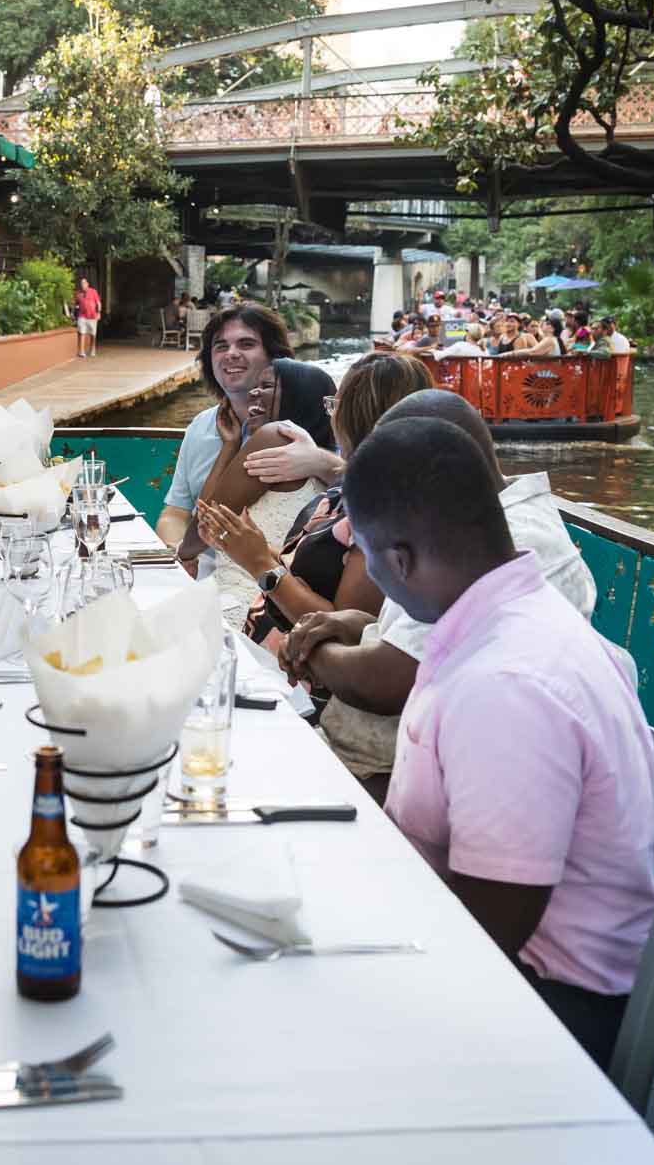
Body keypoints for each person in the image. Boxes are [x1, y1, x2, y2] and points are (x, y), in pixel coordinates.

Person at [340, 416, 654, 1065]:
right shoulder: (505, 621)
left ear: (400, 559)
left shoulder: (505, 685)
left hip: (547, 1010)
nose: (375, 576)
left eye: (371, 559)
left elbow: (485, 937)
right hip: (503, 959)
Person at [282, 388, 596, 798]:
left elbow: (393, 680)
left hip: (394, 779)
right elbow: (423, 640)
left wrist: (309, 653)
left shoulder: (515, 543)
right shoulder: (459, 530)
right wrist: (356, 625)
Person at [197, 351, 432, 649]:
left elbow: (345, 628)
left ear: (353, 418)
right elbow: (299, 569)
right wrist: (243, 544)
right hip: (268, 639)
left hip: (297, 675)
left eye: (335, 407)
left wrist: (258, 563)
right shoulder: (348, 487)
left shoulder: (384, 512)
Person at [155, 303, 338, 566]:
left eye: (246, 344)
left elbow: (359, 484)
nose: (231, 354)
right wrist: (179, 556)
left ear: (275, 358)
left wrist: (320, 461)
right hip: (207, 569)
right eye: (221, 346)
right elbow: (177, 513)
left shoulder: (300, 430)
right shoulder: (201, 426)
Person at [73, 275, 102, 360]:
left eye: (84, 283)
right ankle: (81, 351)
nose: (82, 285)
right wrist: (74, 311)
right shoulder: (78, 294)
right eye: (81, 283)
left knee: (93, 334)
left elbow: (98, 303)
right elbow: (75, 304)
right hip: (82, 316)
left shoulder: (93, 291)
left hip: (92, 316)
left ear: (87, 284)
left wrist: (99, 312)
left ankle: (92, 348)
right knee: (82, 332)